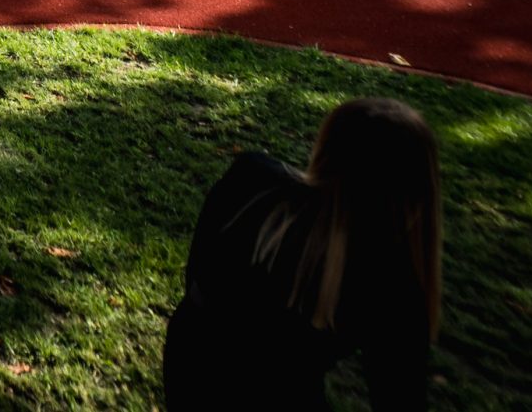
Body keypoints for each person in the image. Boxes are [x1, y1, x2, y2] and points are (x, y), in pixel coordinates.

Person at [163, 97, 441, 410]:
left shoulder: (252, 178)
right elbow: (400, 398)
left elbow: (199, 274)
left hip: (190, 365)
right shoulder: (391, 285)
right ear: (419, 190)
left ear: (327, 149)